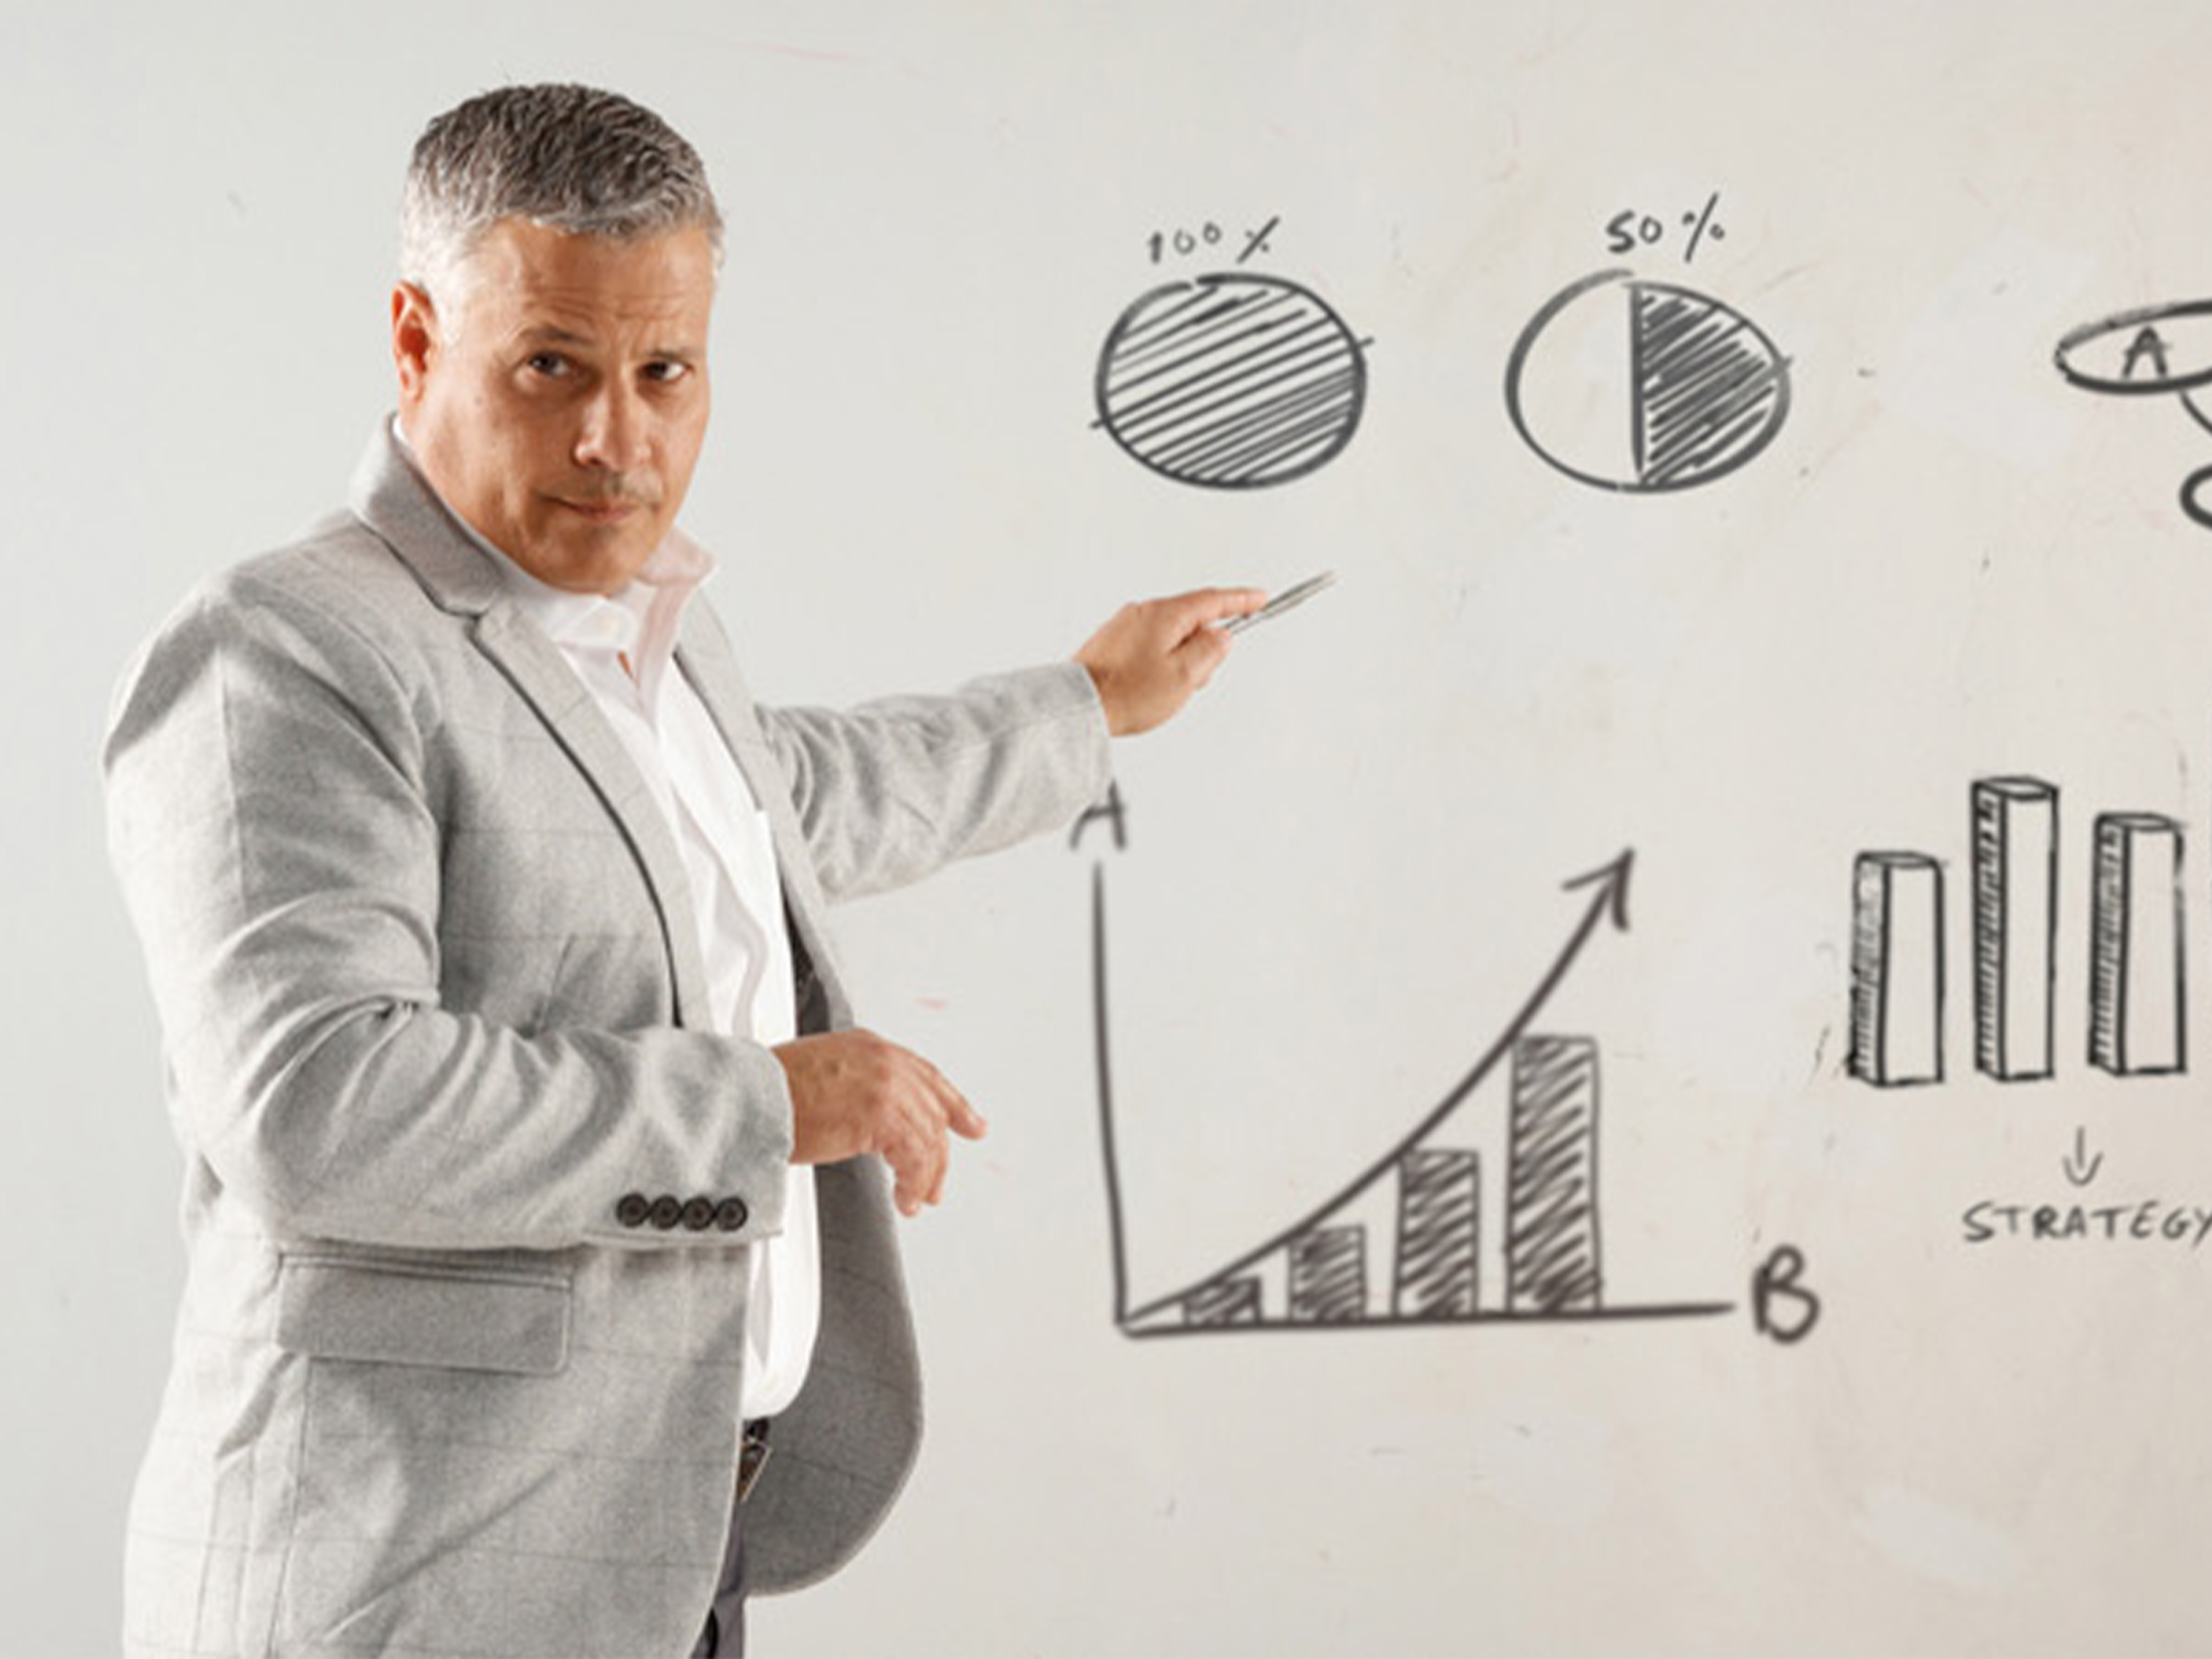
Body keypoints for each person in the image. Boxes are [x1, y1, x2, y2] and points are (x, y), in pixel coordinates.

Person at [104, 83, 1260, 1659]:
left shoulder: (647, 620)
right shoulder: (288, 648)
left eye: (666, 372)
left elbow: (780, 810)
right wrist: (772, 1106)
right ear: (416, 340)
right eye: (552, 368)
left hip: (654, 1563)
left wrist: (1087, 705)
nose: (616, 438)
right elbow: (318, 1106)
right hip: (403, 1594)